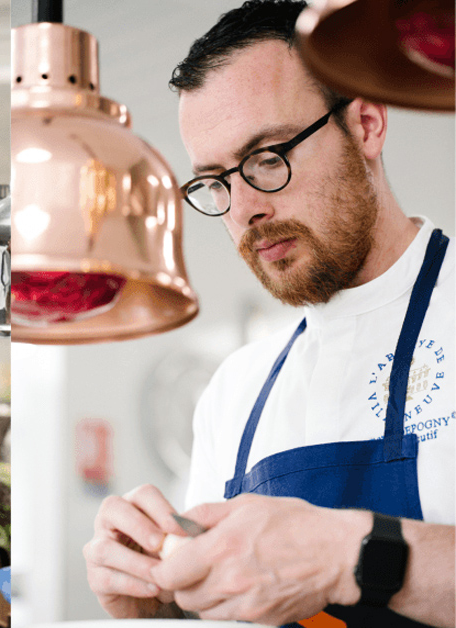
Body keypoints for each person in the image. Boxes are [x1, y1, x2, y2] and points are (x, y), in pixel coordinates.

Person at [83, 1, 454, 627]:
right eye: (215, 182)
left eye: (266, 158)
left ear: (365, 124)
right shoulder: (236, 390)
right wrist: (157, 609)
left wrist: (347, 556)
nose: (243, 209)